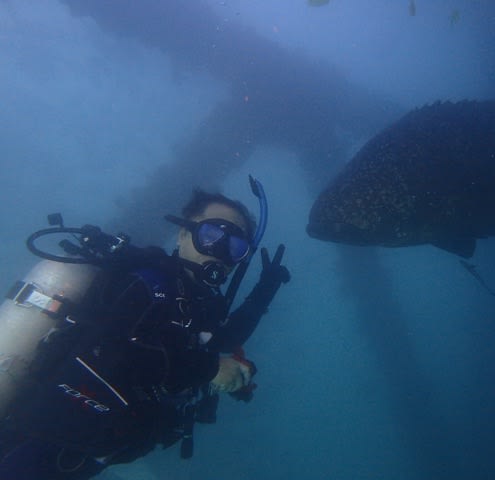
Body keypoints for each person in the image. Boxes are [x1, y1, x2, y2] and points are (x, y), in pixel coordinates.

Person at [0, 183, 290, 479]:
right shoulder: (146, 281)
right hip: (34, 443)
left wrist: (264, 291)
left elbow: (222, 340)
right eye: (211, 235)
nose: (220, 251)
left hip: (86, 452)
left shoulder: (198, 303)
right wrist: (211, 369)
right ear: (182, 234)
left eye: (235, 247)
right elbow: (117, 350)